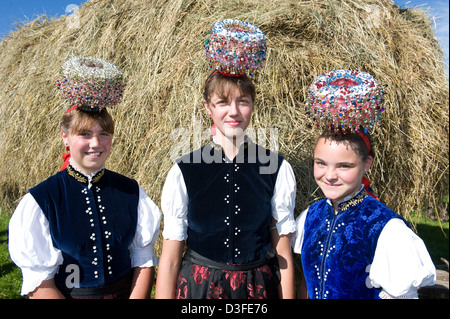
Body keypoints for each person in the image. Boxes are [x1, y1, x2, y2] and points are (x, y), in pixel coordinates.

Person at [8, 56, 162, 299]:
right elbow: (40, 284)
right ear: (65, 136)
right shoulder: (42, 200)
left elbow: (142, 261)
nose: (95, 143)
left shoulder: (131, 192)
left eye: (104, 133)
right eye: (84, 133)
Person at [292, 69, 436, 299]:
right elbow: (307, 286)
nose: (329, 176)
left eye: (344, 166)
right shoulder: (312, 215)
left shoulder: (385, 228)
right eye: (321, 163)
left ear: (366, 164)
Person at [155, 69, 297, 299]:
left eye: (243, 101)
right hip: (199, 288)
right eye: (222, 102)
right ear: (207, 107)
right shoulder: (184, 171)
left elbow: (283, 251)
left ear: (253, 105)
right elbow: (170, 259)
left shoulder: (276, 168)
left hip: (256, 288)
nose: (234, 112)